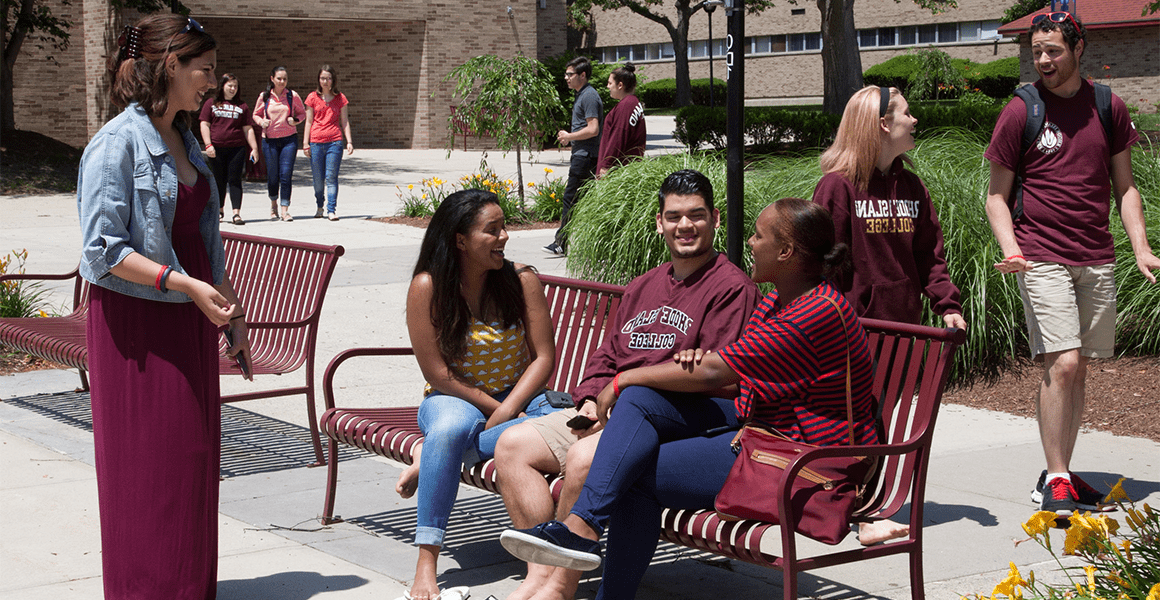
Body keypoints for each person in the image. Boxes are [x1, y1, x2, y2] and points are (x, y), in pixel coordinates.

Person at [500, 198, 878, 600]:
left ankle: (583, 537)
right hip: (759, 433)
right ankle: (582, 529)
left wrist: (624, 378)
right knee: (643, 397)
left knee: (634, 469)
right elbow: (731, 366)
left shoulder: (816, 310)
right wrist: (685, 366)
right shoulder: (778, 300)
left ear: (785, 252)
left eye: (759, 235)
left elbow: (720, 372)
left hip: (802, 459)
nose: (750, 242)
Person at [495, 169, 759, 600]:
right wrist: (586, 401)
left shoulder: (731, 288)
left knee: (582, 459)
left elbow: (721, 377)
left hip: (677, 420)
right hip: (607, 407)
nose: (685, 226)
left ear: (714, 219)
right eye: (674, 216)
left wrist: (623, 394)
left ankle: (556, 589)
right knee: (513, 446)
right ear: (659, 222)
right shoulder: (643, 287)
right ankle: (537, 577)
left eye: (695, 215)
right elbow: (607, 356)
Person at [77, 14, 253, 598]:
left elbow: (202, 239)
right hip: (139, 326)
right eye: (204, 67)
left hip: (190, 320)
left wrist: (231, 312)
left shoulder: (183, 135)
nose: (213, 78)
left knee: (192, 460)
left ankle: (187, 586)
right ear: (170, 64)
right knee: (148, 469)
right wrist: (183, 286)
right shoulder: (115, 144)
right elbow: (102, 254)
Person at [983, 12, 1158, 516]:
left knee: (1078, 370)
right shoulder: (1022, 110)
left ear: (1078, 48)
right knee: (1061, 363)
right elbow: (997, 197)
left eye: (1053, 50)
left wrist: (1140, 247)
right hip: (1039, 254)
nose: (1043, 60)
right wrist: (1011, 248)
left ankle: (1060, 470)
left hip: (1096, 255)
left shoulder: (1107, 106)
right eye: (1037, 51)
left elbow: (1125, 188)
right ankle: (1056, 479)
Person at [813, 85, 966, 545]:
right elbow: (822, 264)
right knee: (858, 423)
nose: (914, 120)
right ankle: (857, 514)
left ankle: (860, 509)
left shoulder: (911, 186)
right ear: (882, 125)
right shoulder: (837, 187)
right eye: (905, 113)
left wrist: (948, 305)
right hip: (855, 334)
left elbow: (929, 258)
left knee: (879, 422)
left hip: (905, 331)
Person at [398, 189, 560, 600]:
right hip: (454, 398)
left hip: (521, 397)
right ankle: (426, 561)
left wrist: (511, 407)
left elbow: (543, 359)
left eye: (504, 226)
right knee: (451, 429)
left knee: (566, 430)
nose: (505, 236)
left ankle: (431, 456)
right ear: (460, 240)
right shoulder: (428, 286)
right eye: (493, 230)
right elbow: (439, 374)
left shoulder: (521, 279)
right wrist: (502, 413)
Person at [544, 56, 602, 256]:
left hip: (585, 156)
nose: (566, 78)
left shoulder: (589, 96)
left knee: (571, 199)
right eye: (566, 74)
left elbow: (593, 129)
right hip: (583, 154)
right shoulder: (581, 94)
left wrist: (570, 136)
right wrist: (570, 138)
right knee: (581, 201)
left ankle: (561, 243)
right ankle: (571, 242)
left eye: (570, 74)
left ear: (582, 75)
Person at [199, 72, 260, 225]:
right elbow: (204, 124)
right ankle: (219, 210)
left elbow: (248, 129)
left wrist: (254, 148)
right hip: (216, 148)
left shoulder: (242, 106)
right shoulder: (211, 103)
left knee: (235, 180)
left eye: (235, 86)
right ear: (223, 86)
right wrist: (208, 145)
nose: (233, 89)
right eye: (230, 86)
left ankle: (236, 213)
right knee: (219, 180)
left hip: (237, 148)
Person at [253, 65, 306, 222]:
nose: (282, 81)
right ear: (272, 79)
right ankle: (273, 204)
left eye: (285, 79)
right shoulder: (264, 97)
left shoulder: (292, 96)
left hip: (289, 139)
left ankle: (285, 209)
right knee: (273, 176)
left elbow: (302, 113)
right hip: (269, 141)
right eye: (279, 78)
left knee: (286, 174)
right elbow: (255, 114)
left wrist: (295, 120)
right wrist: (262, 121)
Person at [303, 64, 353, 221]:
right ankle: (320, 206)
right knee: (318, 180)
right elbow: (308, 121)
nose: (325, 81)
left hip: (334, 142)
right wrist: (305, 143)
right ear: (319, 79)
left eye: (328, 78)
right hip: (316, 142)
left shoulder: (340, 98)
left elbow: (345, 121)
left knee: (331, 177)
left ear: (333, 80)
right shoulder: (312, 97)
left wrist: (349, 141)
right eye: (323, 78)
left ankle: (331, 210)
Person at [595, 63, 646, 179]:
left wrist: (606, 165)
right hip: (629, 168)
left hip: (618, 171)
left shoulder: (625, 106)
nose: (607, 86)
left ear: (620, 85)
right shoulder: (633, 102)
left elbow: (618, 137)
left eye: (610, 83)